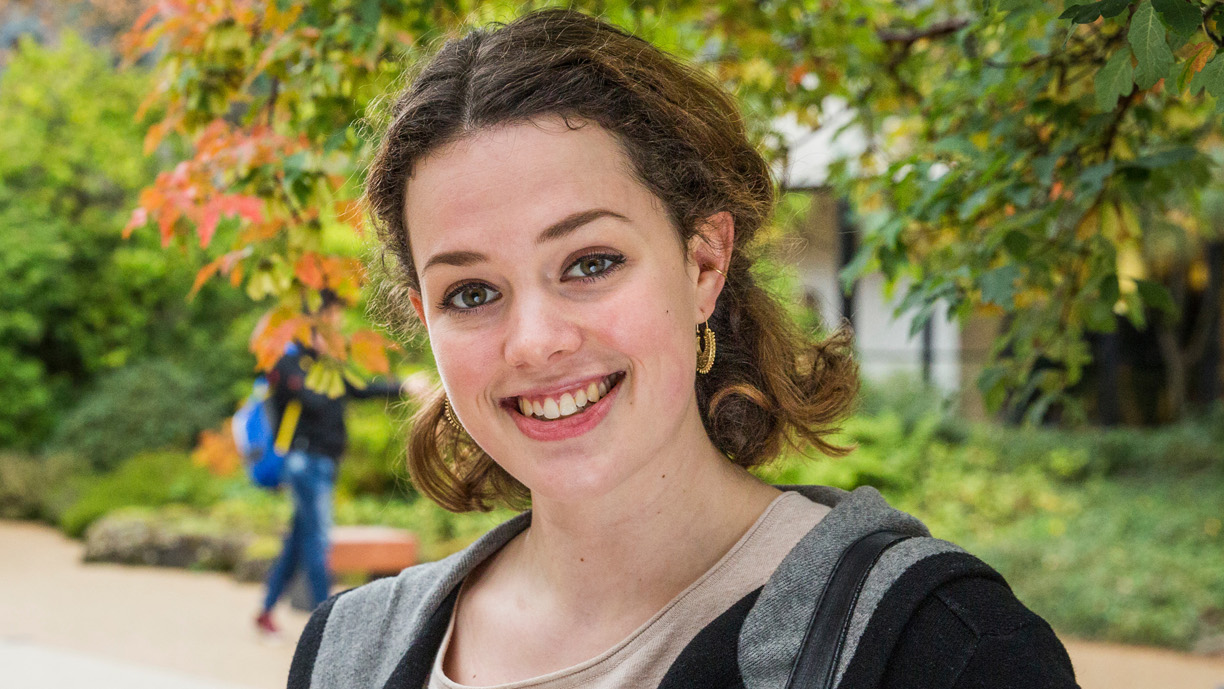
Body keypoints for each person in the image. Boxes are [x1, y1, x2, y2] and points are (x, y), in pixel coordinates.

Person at [289, 10, 1076, 689]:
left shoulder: (943, 647)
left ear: (704, 262)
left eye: (591, 263)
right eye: (471, 293)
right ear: (425, 317)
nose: (534, 342)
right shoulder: (346, 655)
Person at [255, 292, 421, 638]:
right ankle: (326, 625)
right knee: (317, 540)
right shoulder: (290, 363)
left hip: (322, 463)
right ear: (317, 321)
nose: (339, 326)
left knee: (300, 540)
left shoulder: (324, 362)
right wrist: (326, 359)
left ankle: (266, 612)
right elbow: (314, 400)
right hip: (304, 463)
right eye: (333, 319)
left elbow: (359, 390)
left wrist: (404, 386)